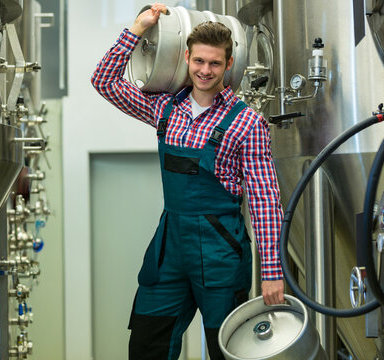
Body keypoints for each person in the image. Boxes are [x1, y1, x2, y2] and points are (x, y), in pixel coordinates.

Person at [91, 3, 285, 359]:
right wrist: (137, 29)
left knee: (227, 351)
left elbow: (265, 202)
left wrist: (272, 271)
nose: (205, 71)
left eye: (214, 63)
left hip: (220, 251)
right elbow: (103, 81)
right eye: (198, 61)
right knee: (146, 345)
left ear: (229, 65)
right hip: (170, 248)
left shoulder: (248, 124)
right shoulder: (164, 108)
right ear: (186, 58)